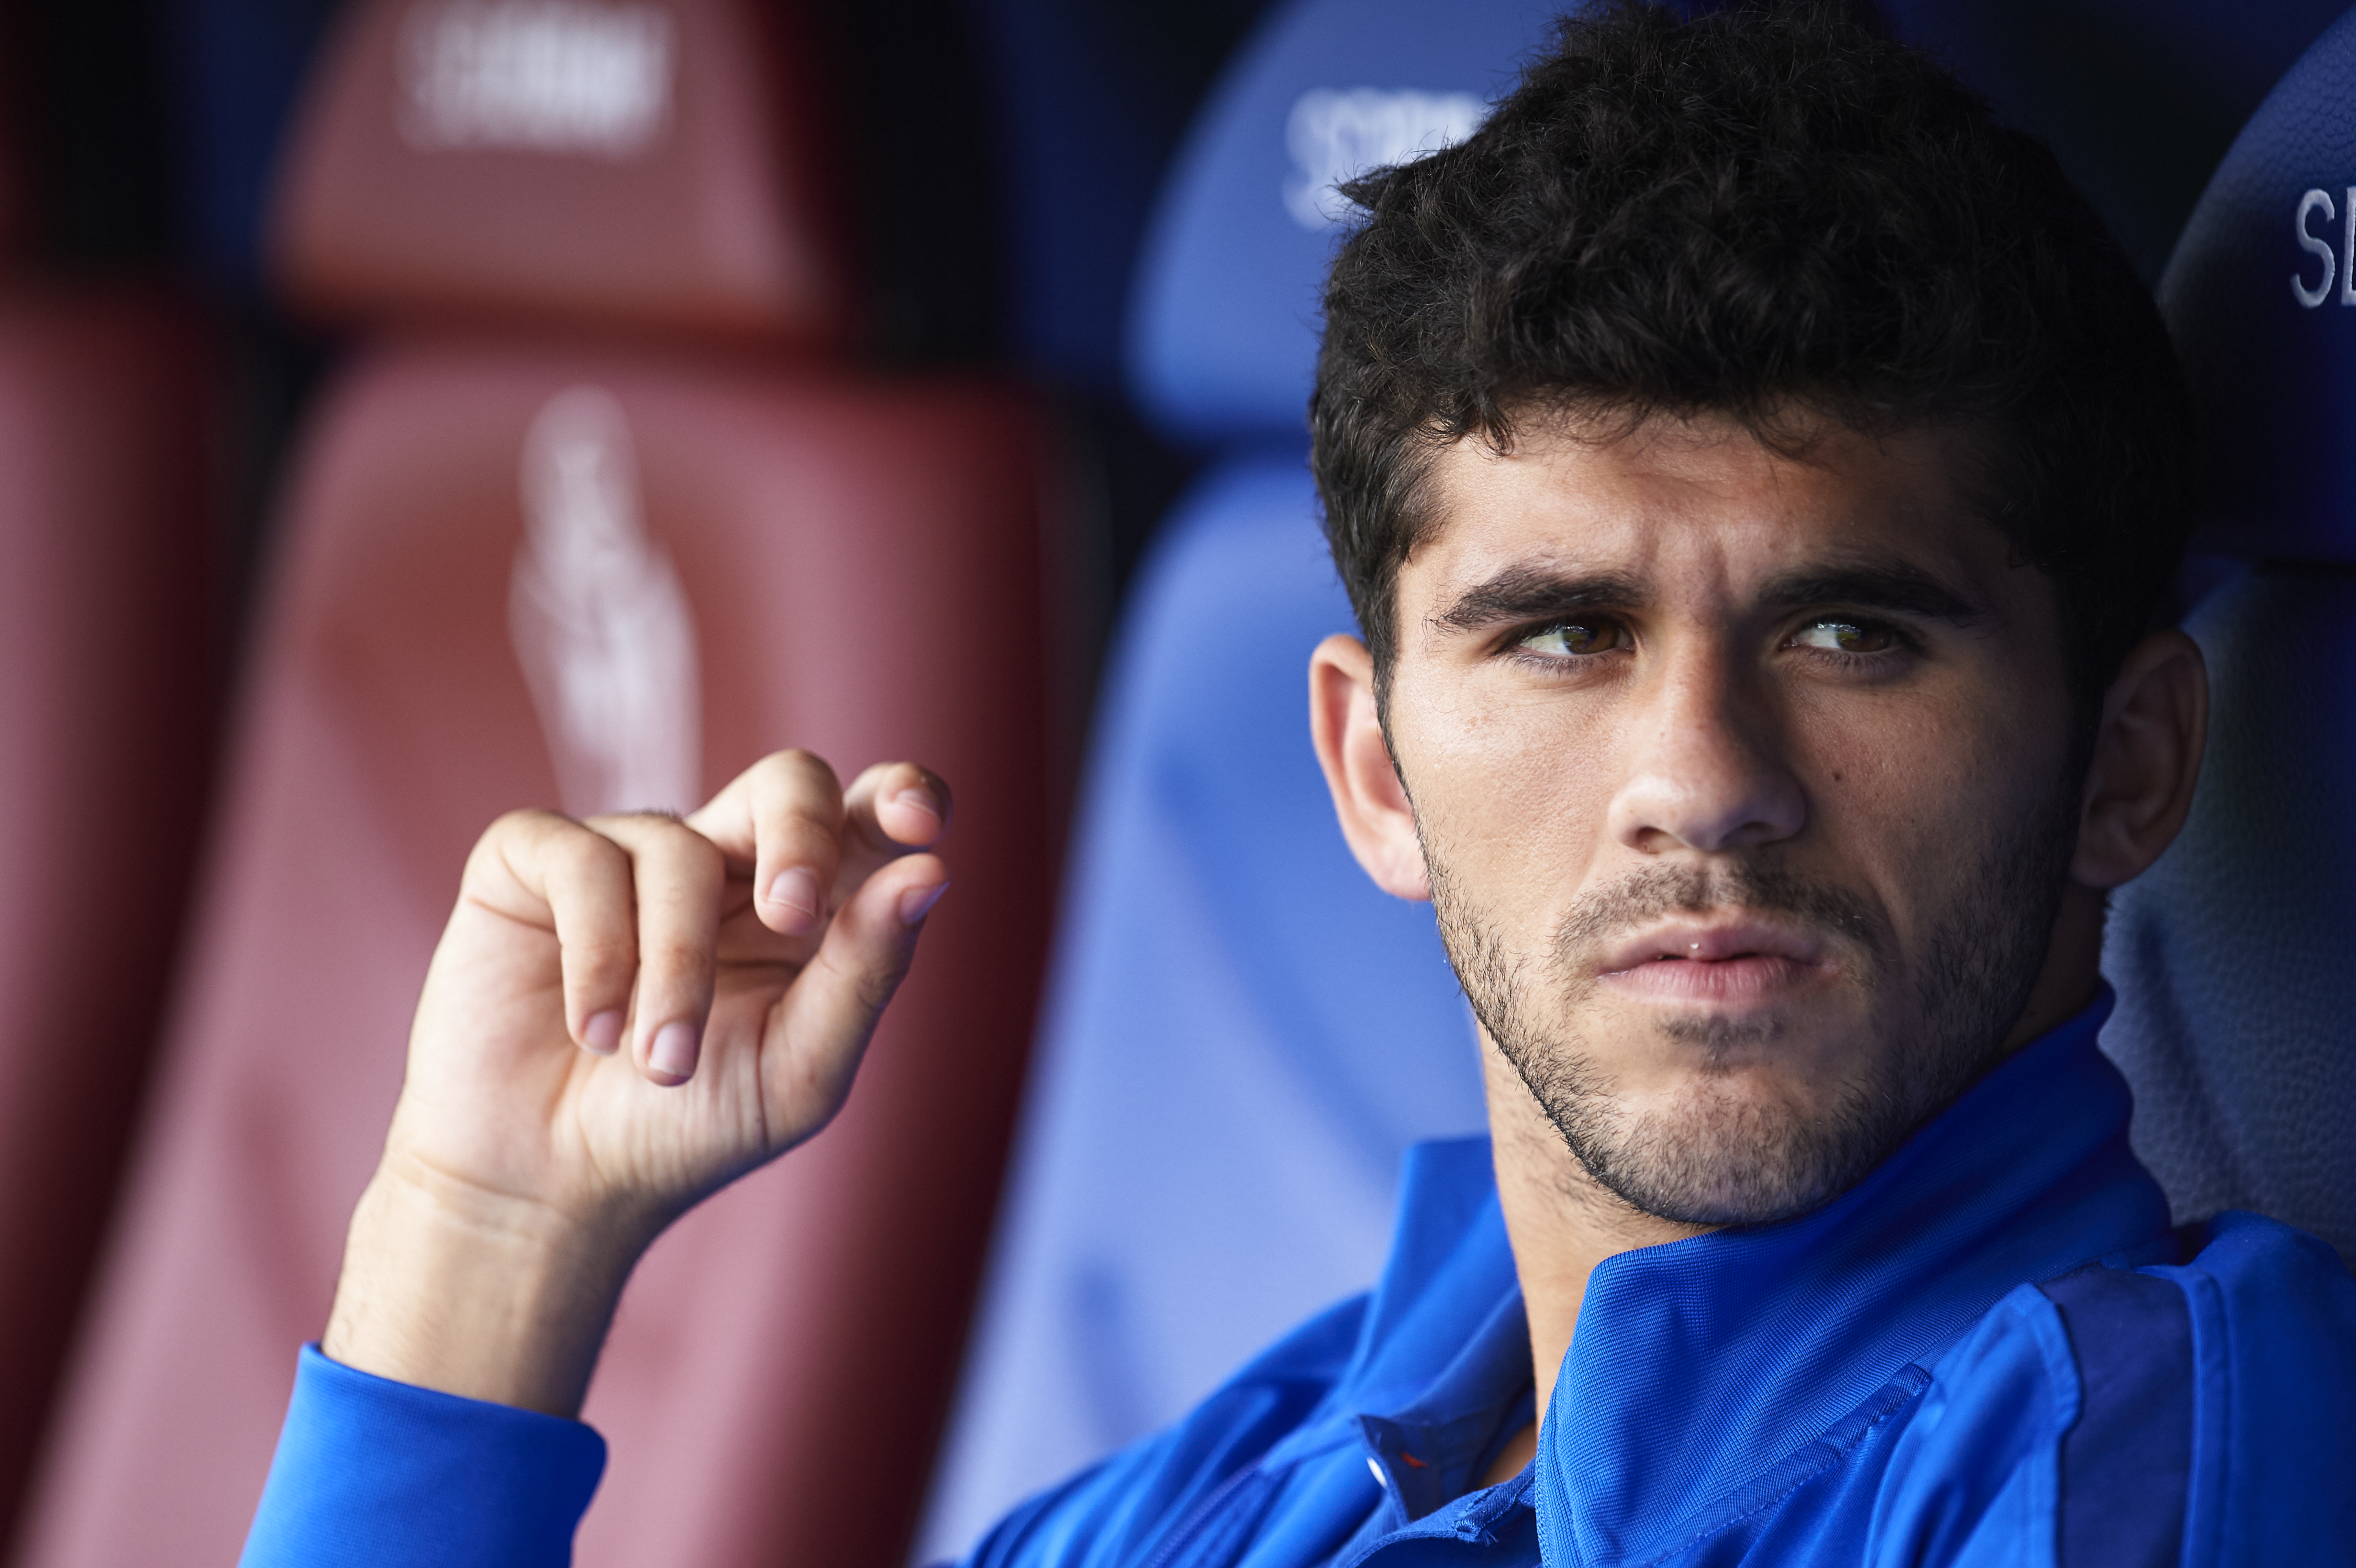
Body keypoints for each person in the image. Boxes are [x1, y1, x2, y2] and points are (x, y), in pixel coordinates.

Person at [237, 4, 2356, 1565]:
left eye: (1849, 633)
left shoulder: (2146, 1450)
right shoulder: (1269, 1466)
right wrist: (483, 1237)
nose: (1701, 780)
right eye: (1562, 634)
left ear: (2131, 760)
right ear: (1370, 762)